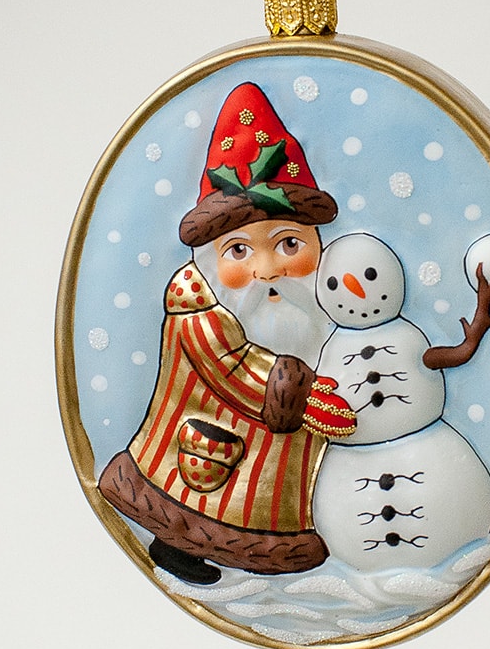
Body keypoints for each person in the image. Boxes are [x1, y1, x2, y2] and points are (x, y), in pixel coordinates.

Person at [98, 83, 356, 585]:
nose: (267, 270)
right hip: (202, 461)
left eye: (289, 244)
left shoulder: (324, 314)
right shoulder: (195, 312)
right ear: (209, 261)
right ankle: (178, 547)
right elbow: (228, 365)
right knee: (188, 513)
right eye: (239, 251)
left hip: (277, 482)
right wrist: (292, 389)